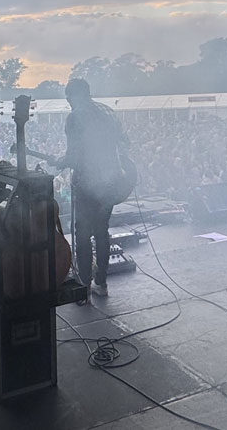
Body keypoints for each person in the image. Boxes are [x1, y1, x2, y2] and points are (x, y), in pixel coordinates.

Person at [56, 79, 127, 299]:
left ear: (76, 95)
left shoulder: (75, 117)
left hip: (87, 183)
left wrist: (61, 162)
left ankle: (84, 285)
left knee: (83, 234)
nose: (68, 102)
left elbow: (74, 156)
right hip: (111, 180)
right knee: (102, 232)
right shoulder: (107, 113)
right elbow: (124, 142)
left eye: (69, 97)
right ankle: (102, 283)